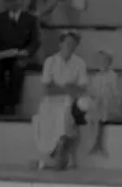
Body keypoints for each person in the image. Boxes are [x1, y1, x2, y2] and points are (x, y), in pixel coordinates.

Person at [32, 29, 89, 170]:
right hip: (50, 100)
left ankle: (60, 153)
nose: (70, 46)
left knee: (65, 112)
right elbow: (47, 88)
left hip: (70, 99)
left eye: (73, 43)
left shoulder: (80, 63)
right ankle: (51, 153)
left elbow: (81, 88)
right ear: (61, 44)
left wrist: (63, 88)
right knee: (43, 114)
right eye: (67, 42)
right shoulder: (50, 61)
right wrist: (67, 87)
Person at [0, 0, 41, 114]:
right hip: (4, 55)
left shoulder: (30, 18)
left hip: (22, 56)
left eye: (10, 0)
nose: (7, 3)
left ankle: (12, 104)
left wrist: (27, 52)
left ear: (19, 0)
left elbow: (36, 41)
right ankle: (0, 102)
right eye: (6, 1)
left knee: (17, 69)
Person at [78, 52, 122, 155]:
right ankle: (95, 143)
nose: (102, 63)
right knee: (90, 113)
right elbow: (92, 90)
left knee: (101, 112)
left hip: (108, 103)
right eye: (101, 61)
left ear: (109, 63)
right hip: (97, 102)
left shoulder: (113, 75)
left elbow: (115, 91)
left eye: (105, 61)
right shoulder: (97, 76)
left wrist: (118, 103)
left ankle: (98, 143)